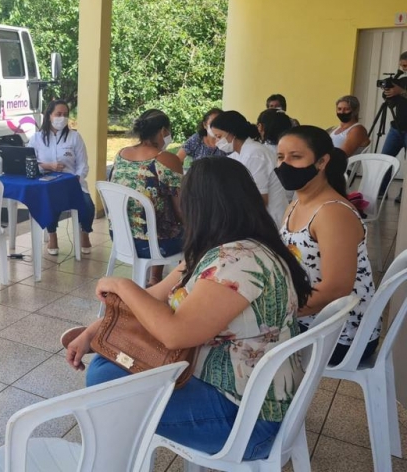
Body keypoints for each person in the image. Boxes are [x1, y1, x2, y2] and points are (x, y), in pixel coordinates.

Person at [65, 157, 312, 461]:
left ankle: (109, 460)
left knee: (106, 385)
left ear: (201, 205)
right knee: (109, 364)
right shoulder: (229, 247)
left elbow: (174, 335)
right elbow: (155, 297)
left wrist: (120, 285)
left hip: (246, 421)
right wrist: (93, 332)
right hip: (233, 391)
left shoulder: (238, 261)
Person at [277, 125, 380, 365]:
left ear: (322, 162)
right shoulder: (296, 204)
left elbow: (336, 289)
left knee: (239, 338)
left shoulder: (333, 213)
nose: (284, 165)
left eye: (296, 157)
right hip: (310, 315)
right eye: (280, 157)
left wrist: (278, 313)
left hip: (340, 332)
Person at [109, 109, 183, 285]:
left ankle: (155, 278)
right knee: (197, 234)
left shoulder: (120, 155)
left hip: (120, 238)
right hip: (156, 245)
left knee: (158, 216)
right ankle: (181, 290)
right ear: (163, 131)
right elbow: (182, 212)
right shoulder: (166, 159)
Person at [28, 100, 94, 255]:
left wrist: (77, 178)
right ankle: (52, 235)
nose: (62, 118)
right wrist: (47, 166)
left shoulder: (75, 137)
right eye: (58, 114)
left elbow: (83, 164)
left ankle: (85, 233)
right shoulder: (37, 138)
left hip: (72, 183)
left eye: (65, 115)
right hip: (48, 183)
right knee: (49, 203)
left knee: (88, 205)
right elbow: (30, 163)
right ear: (49, 116)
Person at [210, 111, 288, 224]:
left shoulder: (255, 154)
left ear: (232, 133)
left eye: (219, 136)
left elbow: (260, 199)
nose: (216, 142)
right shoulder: (239, 154)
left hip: (271, 220)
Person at [378, 52, 407, 198]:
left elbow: (402, 93)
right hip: (397, 127)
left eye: (406, 65)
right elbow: (394, 101)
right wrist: (388, 93)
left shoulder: (401, 85)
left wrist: (401, 91)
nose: (403, 68)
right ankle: (381, 190)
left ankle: (404, 194)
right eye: (402, 65)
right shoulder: (401, 80)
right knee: (385, 160)